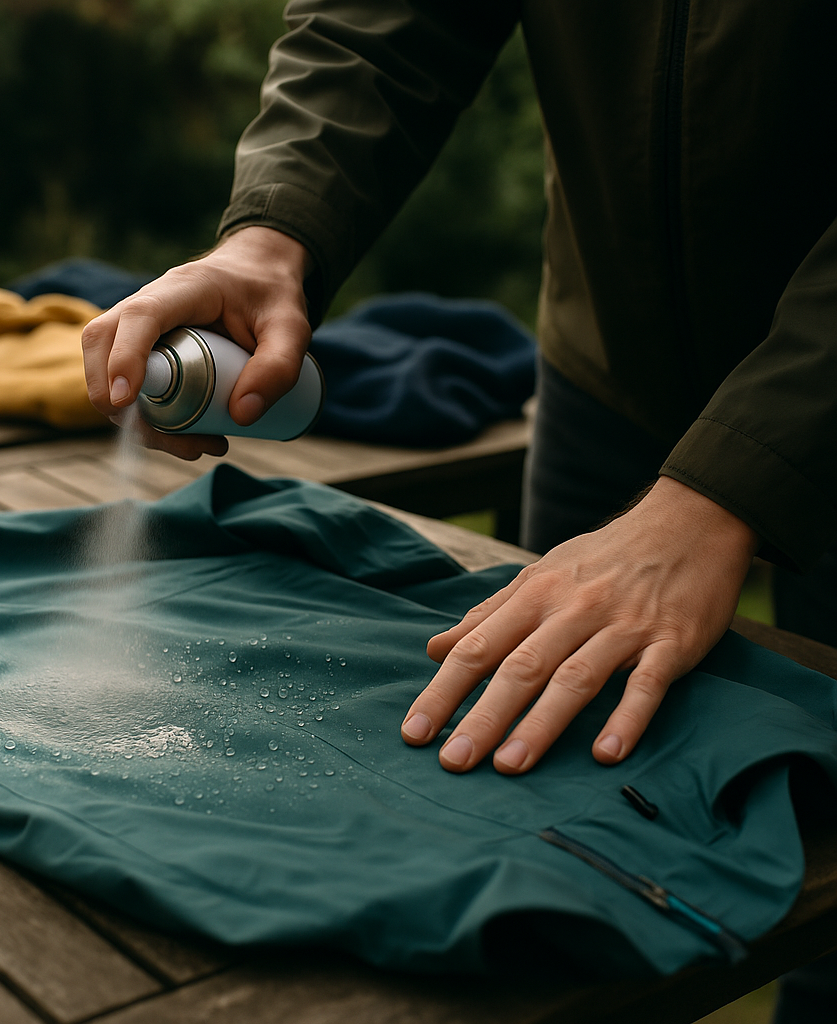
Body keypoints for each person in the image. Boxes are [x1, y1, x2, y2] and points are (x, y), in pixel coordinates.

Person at [83, 5, 836, 775]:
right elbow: (378, 23)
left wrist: (735, 480)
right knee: (539, 731)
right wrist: (273, 229)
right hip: (607, 365)